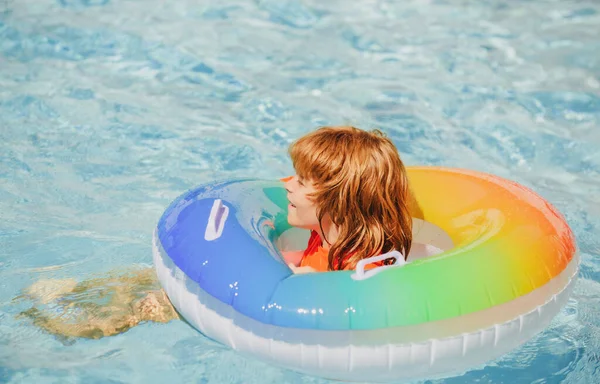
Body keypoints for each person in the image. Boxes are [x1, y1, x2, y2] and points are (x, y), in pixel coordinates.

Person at [17, 125, 416, 340]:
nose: (288, 187)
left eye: (303, 181)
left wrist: (303, 279)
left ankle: (87, 325)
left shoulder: (365, 258)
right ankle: (85, 291)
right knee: (150, 279)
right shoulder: (323, 231)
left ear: (341, 198)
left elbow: (349, 306)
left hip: (301, 323)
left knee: (164, 304)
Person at [282, 126, 414, 274]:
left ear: (338, 205)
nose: (288, 185)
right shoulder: (323, 236)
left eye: (301, 182)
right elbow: (311, 256)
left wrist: (317, 285)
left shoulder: (363, 268)